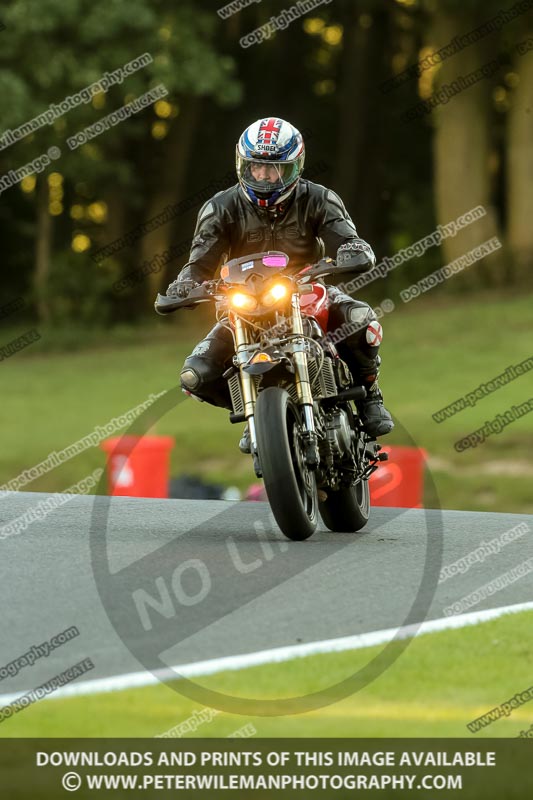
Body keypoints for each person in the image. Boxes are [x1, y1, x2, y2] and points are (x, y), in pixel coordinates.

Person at [166, 117, 393, 452]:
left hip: (305, 289)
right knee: (195, 375)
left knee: (362, 320)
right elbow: (198, 262)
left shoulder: (319, 199)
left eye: (274, 170)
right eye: (255, 167)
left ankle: (369, 395)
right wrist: (185, 284)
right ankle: (253, 413)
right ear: (242, 165)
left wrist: (352, 249)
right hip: (242, 302)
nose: (264, 177)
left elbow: (346, 236)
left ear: (294, 167)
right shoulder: (220, 207)